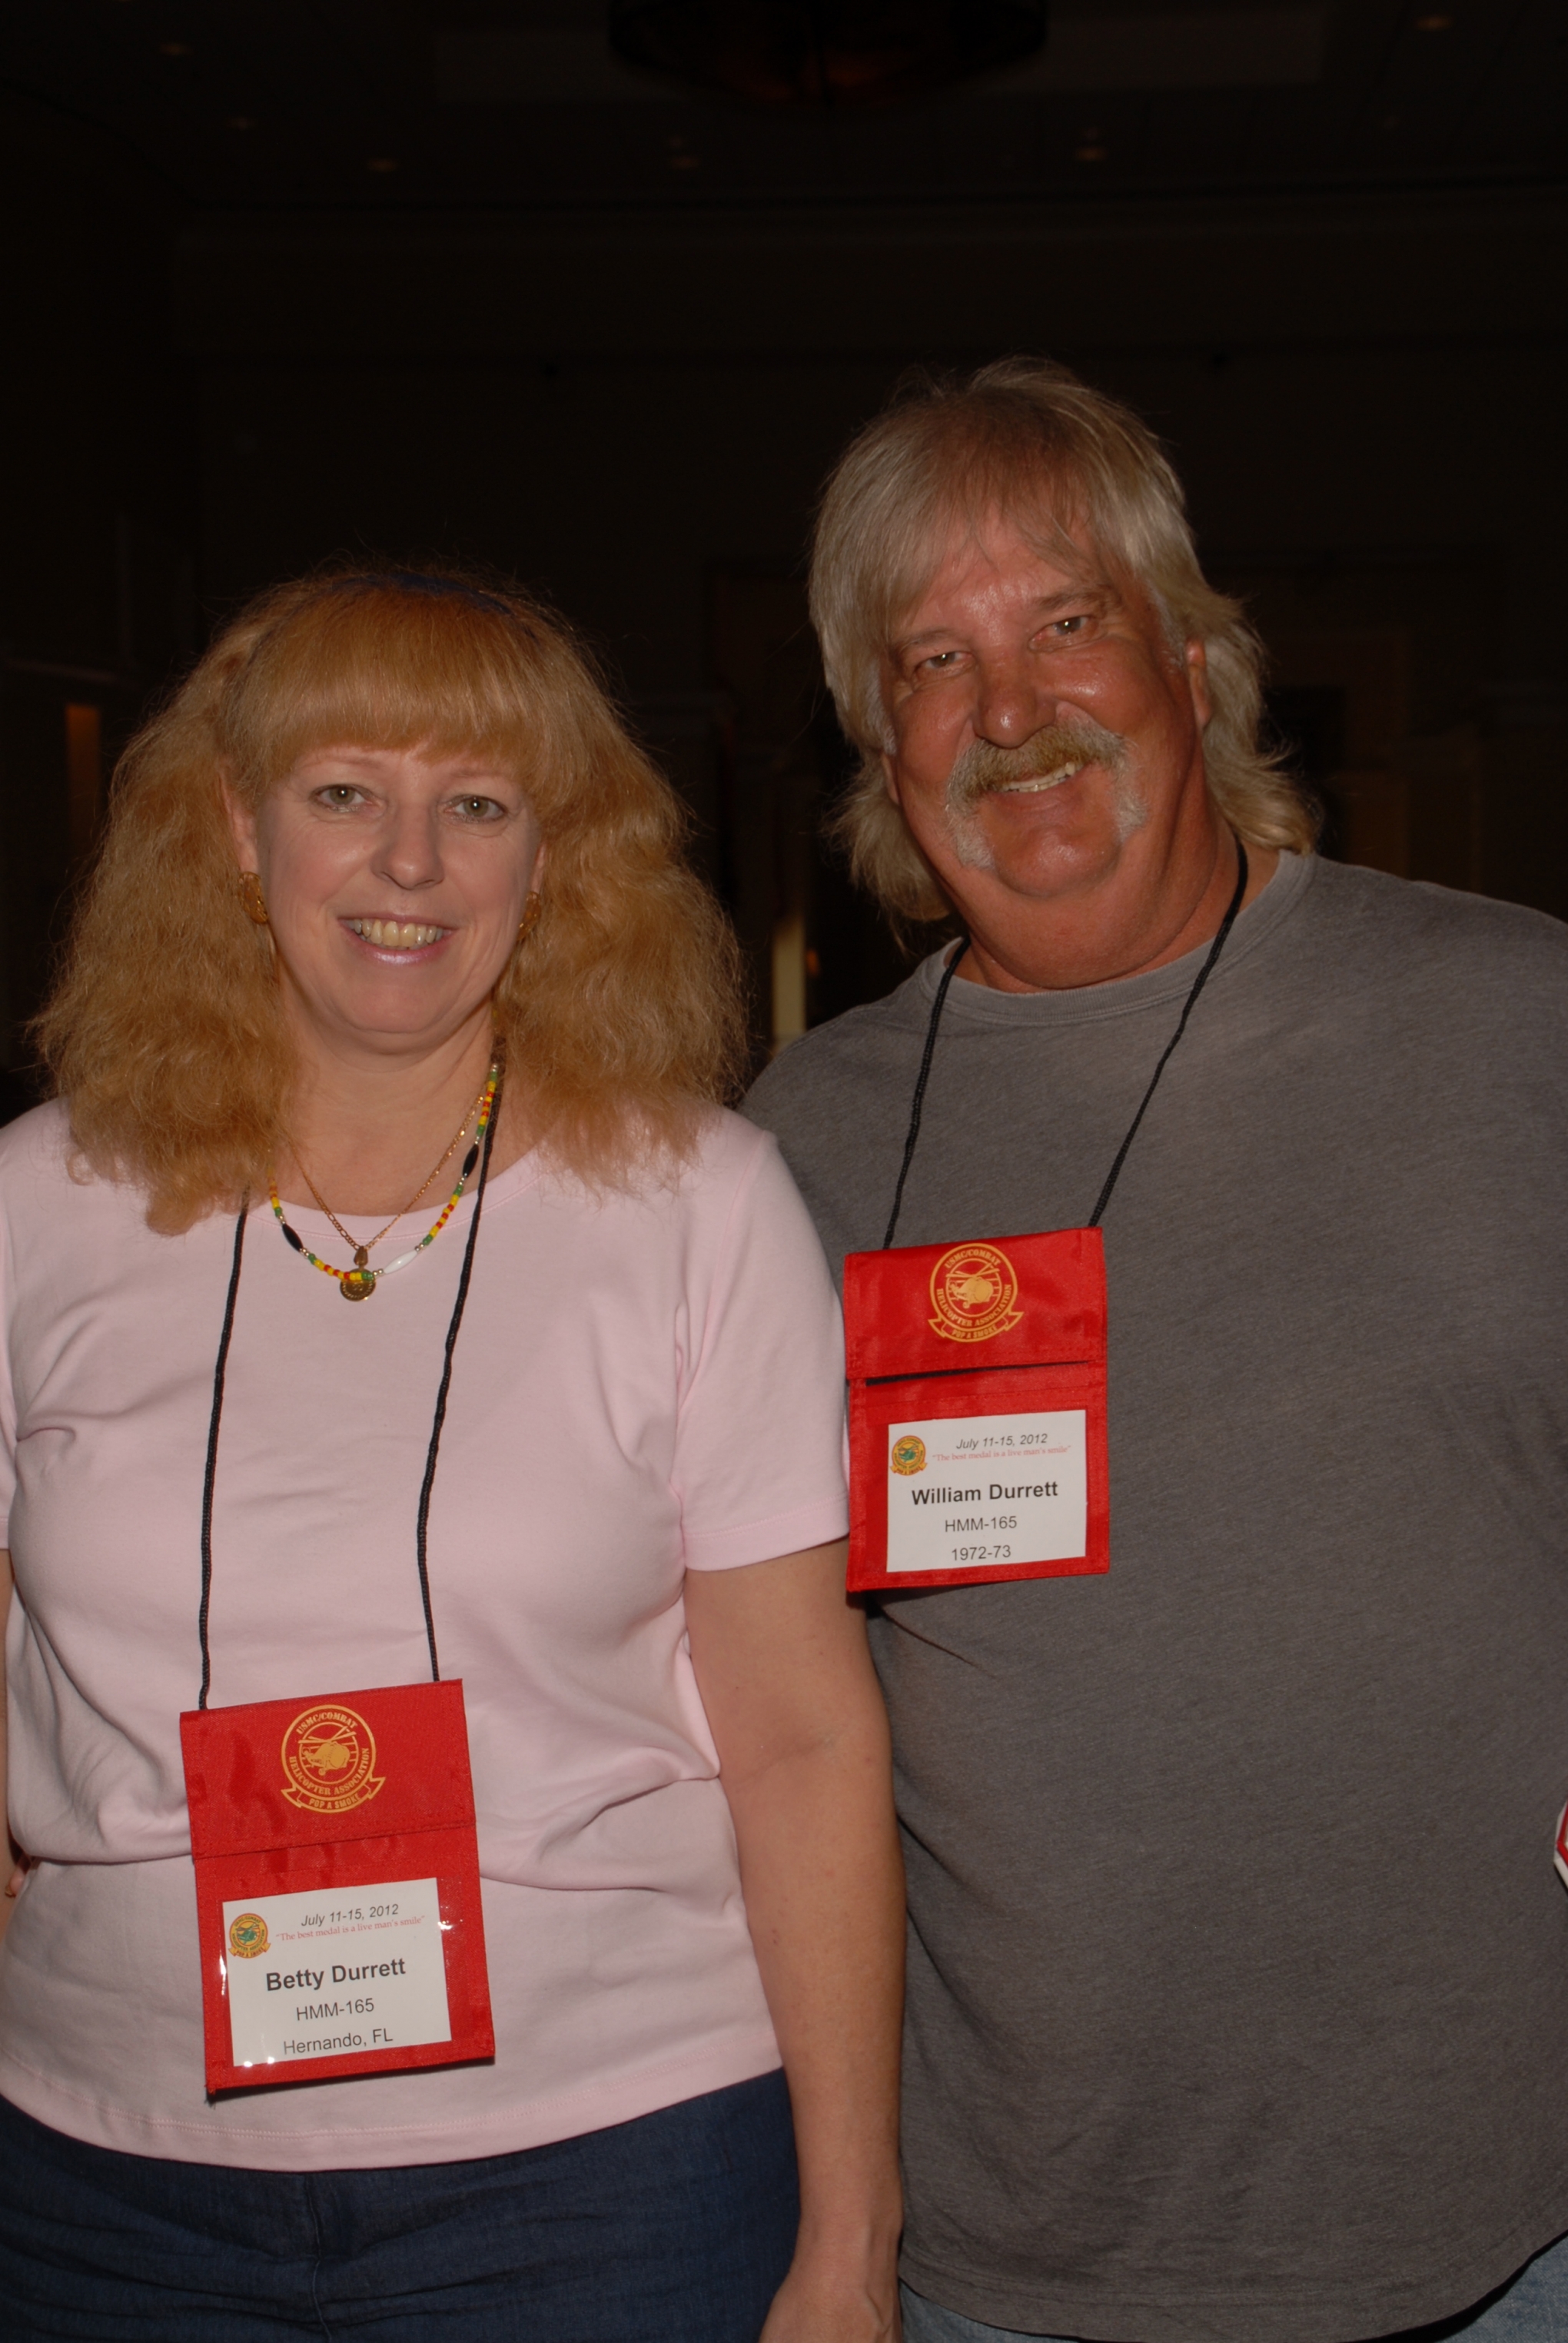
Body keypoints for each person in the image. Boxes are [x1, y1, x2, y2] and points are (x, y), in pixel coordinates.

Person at [745, 360, 1568, 2342]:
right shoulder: (796, 1149)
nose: (1011, 710)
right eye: (935, 661)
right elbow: (747, 1693)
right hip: (1026, 2243)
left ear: (1193, 668)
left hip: (1520, 2212)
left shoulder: (1516, 1021)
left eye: (1066, 623)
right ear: (879, 747)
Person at [0, 566, 903, 2342]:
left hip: (606, 2177)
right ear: (237, 832)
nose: (409, 863)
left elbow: (803, 1739)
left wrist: (853, 2241)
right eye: (346, 791)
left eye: (476, 805)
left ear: (551, 862)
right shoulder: (38, 1201)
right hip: (102, 2187)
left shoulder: (699, 1207)